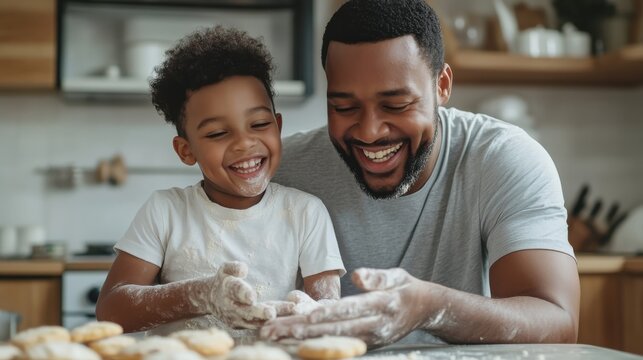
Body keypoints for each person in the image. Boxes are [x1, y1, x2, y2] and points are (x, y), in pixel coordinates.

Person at [260, 0, 580, 347]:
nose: (369, 132)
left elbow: (557, 321)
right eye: (344, 107)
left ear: (442, 85)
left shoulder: (501, 159)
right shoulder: (280, 171)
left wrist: (430, 307)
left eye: (395, 105)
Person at [95, 26, 345, 338]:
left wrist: (310, 317)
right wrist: (201, 295)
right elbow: (111, 310)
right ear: (186, 150)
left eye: (259, 124)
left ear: (278, 127)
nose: (244, 143)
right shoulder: (165, 211)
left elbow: (328, 315)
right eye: (217, 133)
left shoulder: (306, 213)